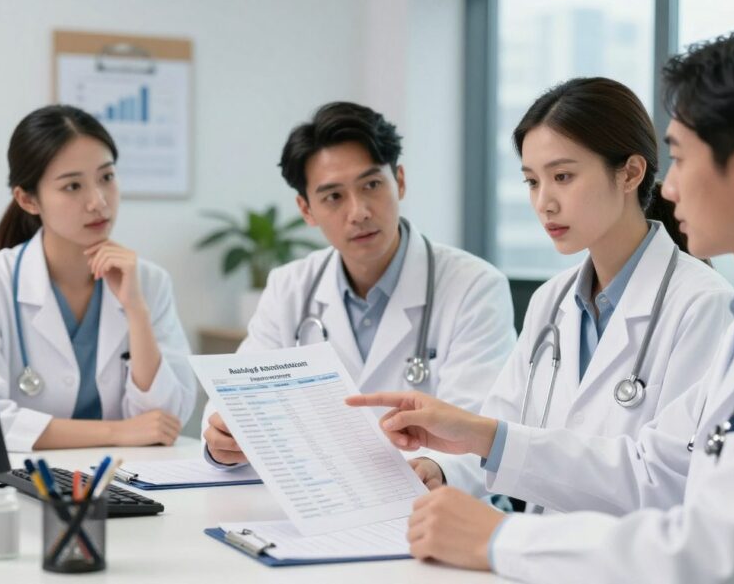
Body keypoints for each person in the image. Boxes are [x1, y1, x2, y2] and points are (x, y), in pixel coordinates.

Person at [349, 26, 734, 583]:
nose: (669, 189)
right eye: (532, 180)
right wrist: (481, 438)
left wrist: (503, 538)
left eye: (681, 158)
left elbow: (723, 553)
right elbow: (656, 469)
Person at [423, 77, 733, 498]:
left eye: (563, 176)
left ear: (630, 173)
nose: (544, 202)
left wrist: (489, 441)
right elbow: (498, 427)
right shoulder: (550, 302)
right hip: (534, 551)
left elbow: (672, 478)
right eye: (532, 181)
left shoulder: (703, 305)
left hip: (627, 557)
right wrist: (440, 470)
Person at [202, 101, 516, 468]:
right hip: (319, 497)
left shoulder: (474, 287)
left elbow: (480, 429)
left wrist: (437, 469)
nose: (359, 211)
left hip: (427, 504)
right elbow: (234, 403)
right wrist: (222, 441)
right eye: (334, 197)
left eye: (371, 185)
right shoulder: (290, 286)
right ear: (306, 210)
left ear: (399, 181)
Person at [0, 105, 197, 452]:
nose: (98, 202)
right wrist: (117, 433)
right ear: (28, 199)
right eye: (73, 186)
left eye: (107, 177)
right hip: (28, 482)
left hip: (127, 478)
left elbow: (163, 421)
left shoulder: (149, 282)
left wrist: (136, 310)